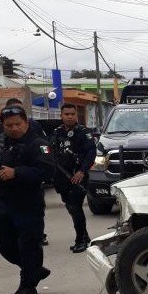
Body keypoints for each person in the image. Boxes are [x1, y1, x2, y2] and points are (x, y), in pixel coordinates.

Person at [0, 105, 54, 294]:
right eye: (8, 125)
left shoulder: (38, 144)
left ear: (26, 123)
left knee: (29, 246)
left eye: (17, 124)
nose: (13, 128)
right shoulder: (2, 144)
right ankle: (34, 270)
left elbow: (47, 172)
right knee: (2, 242)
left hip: (28, 204)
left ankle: (28, 286)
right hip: (5, 202)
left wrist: (17, 172)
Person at [50, 104, 96, 253]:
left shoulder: (83, 132)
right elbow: (49, 150)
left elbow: (91, 153)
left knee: (75, 207)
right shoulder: (57, 132)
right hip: (62, 177)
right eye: (66, 114)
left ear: (76, 115)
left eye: (72, 114)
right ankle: (85, 236)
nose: (69, 116)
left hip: (78, 176)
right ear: (61, 116)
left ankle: (80, 239)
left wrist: (82, 171)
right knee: (70, 207)